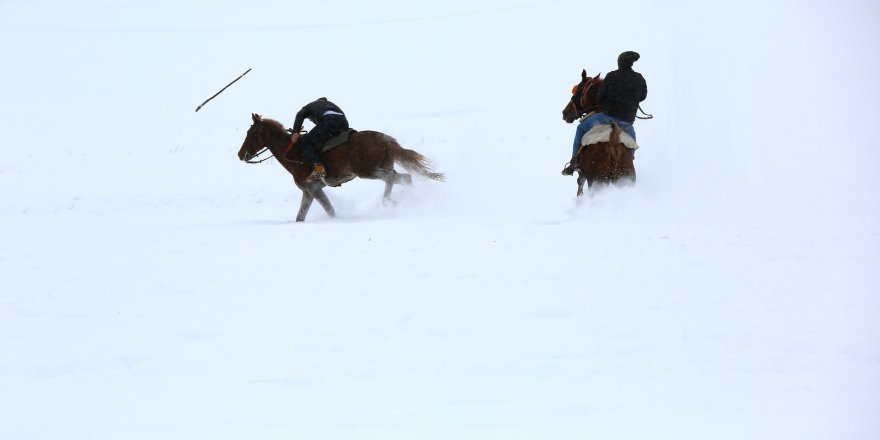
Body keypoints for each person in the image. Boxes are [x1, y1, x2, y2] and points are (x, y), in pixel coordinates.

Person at [562, 51, 648, 175]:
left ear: (620, 63)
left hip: (606, 117)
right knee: (631, 145)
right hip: (627, 123)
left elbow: (601, 97)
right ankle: (630, 159)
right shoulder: (639, 79)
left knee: (580, 128)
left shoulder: (612, 76)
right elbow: (643, 96)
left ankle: (574, 162)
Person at [289, 97, 349, 181]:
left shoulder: (309, 106)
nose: (311, 120)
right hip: (344, 123)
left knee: (306, 142)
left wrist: (295, 132)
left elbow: (300, 114)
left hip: (329, 121)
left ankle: (319, 168)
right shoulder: (329, 105)